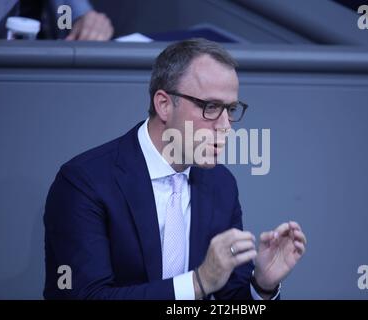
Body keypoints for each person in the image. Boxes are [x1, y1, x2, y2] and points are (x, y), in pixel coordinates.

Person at [43, 38, 307, 300]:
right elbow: (83, 296)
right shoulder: (84, 182)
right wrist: (198, 282)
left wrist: (261, 286)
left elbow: (231, 301)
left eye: (231, 109)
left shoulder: (221, 184)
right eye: (211, 107)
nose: (226, 126)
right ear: (164, 105)